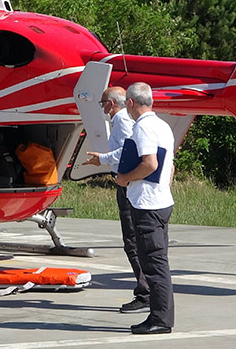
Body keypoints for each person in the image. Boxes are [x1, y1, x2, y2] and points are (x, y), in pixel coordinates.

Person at [115, 82, 175, 335]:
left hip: (147, 206)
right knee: (158, 262)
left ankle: (160, 319)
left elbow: (150, 164)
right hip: (162, 202)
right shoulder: (163, 126)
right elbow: (169, 167)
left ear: (130, 103)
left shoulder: (143, 128)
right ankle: (161, 316)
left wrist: (125, 179)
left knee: (153, 264)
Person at [84, 86, 150, 314]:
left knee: (132, 241)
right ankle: (147, 291)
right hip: (126, 183)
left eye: (103, 103)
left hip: (127, 185)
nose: (102, 107)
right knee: (133, 240)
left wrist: (101, 159)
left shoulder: (121, 120)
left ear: (111, 104)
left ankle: (145, 293)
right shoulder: (121, 121)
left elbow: (127, 151)